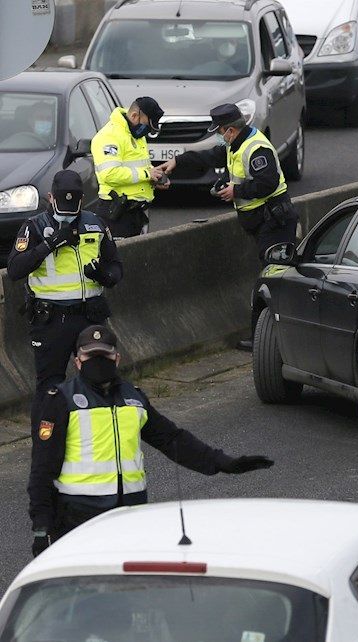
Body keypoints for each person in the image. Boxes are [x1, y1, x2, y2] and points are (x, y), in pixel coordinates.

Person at [29, 325, 275, 556]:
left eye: (104, 356)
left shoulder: (133, 397)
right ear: (77, 362)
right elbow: (42, 467)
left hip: (132, 513)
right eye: (90, 356)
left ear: (117, 359)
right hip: (79, 516)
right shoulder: (60, 399)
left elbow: (171, 439)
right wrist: (42, 527)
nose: (98, 362)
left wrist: (224, 463)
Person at [161, 103, 298, 350]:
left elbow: (268, 183)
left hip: (274, 222)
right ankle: (268, 339)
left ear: (230, 131)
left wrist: (237, 190)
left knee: (274, 282)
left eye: (219, 132)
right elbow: (211, 155)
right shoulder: (236, 144)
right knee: (270, 281)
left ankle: (270, 341)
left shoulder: (256, 149)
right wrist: (177, 162)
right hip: (262, 223)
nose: (218, 137)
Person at [6, 170, 123, 435]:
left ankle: (100, 437)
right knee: (50, 386)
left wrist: (103, 275)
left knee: (101, 379)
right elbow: (15, 270)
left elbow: (116, 265)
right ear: (50, 198)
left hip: (90, 317)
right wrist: (49, 244)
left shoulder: (95, 223)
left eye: (74, 206)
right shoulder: (33, 226)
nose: (68, 211)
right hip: (52, 321)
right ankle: (47, 441)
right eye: (62, 205)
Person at [91, 96, 168, 238]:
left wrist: (155, 177)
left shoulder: (136, 135)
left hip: (136, 213)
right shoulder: (109, 136)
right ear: (134, 116)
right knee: (121, 258)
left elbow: (141, 165)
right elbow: (110, 174)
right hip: (116, 214)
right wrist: (147, 174)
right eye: (147, 125)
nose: (147, 132)